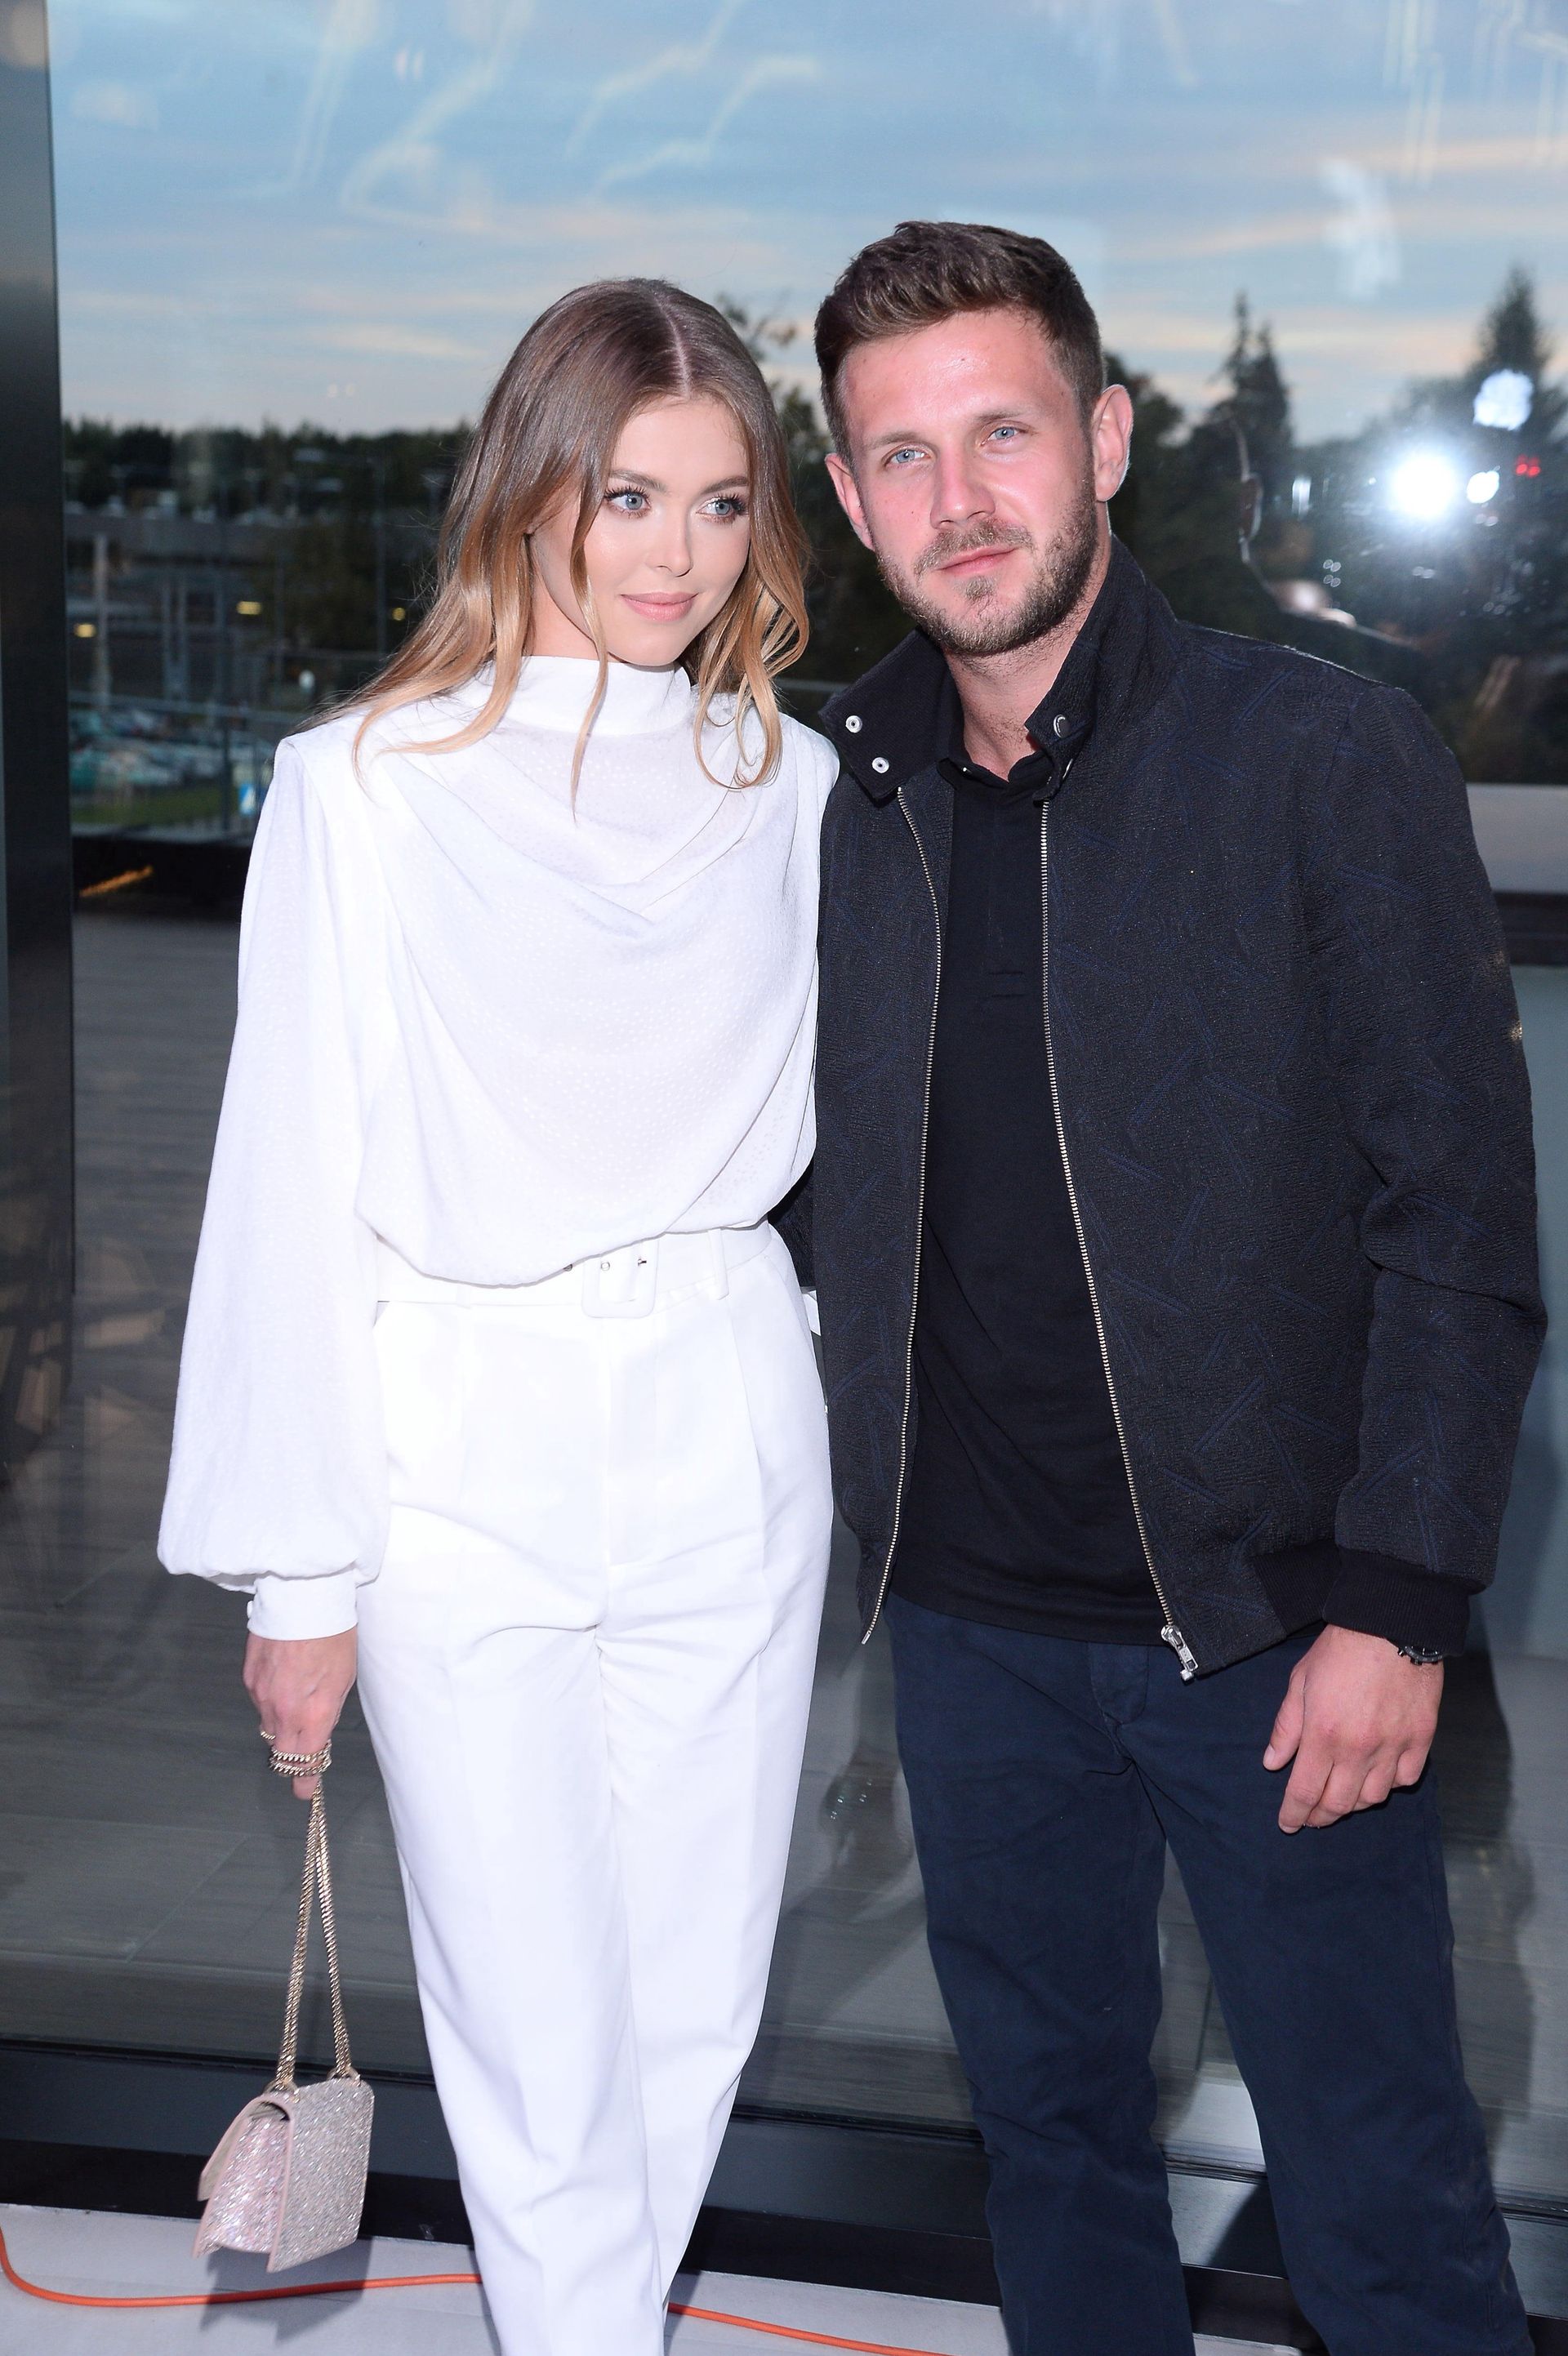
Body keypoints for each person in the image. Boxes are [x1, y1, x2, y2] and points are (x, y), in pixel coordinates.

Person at [787, 220, 1544, 2356]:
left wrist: (1400, 1602)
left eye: (1004, 433)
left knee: (1379, 2196)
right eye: (903, 455)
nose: (962, 499)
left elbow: (1462, 1216)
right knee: (1053, 2156)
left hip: (1275, 1631)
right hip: (969, 1636)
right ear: (850, 496)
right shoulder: (836, 798)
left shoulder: (1322, 756)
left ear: (1107, 439)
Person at [159, 278, 837, 2356]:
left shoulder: (795, 783)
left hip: (733, 1399)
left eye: (721, 503)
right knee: (532, 2014)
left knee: (698, 2001)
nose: (676, 554)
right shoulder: (363, 785)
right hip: (463, 1429)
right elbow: (288, 1184)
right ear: (530, 489)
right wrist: (298, 1575)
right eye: (628, 496)